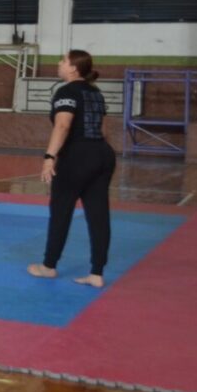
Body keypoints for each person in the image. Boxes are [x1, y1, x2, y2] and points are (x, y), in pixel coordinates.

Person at [28, 50, 116, 289]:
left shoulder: (66, 91)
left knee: (61, 211)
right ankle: (97, 273)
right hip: (102, 153)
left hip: (78, 156)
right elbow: (104, 130)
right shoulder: (95, 92)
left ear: (74, 68)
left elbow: (63, 125)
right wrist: (98, 155)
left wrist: (49, 157)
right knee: (98, 214)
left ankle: (48, 266)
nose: (59, 63)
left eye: (63, 61)